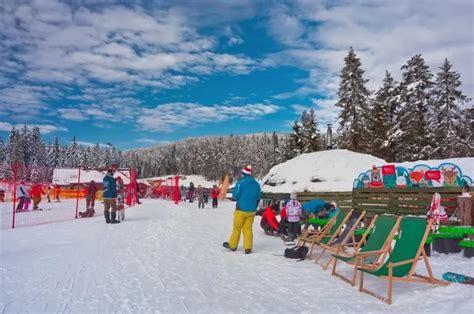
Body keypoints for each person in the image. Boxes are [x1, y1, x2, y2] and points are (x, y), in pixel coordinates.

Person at [223, 165, 261, 254]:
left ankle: (233, 245)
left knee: (237, 227)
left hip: (241, 209)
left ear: (243, 173)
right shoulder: (256, 184)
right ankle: (248, 247)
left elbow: (235, 195)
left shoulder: (241, 183)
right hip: (252, 210)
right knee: (248, 228)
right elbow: (259, 196)